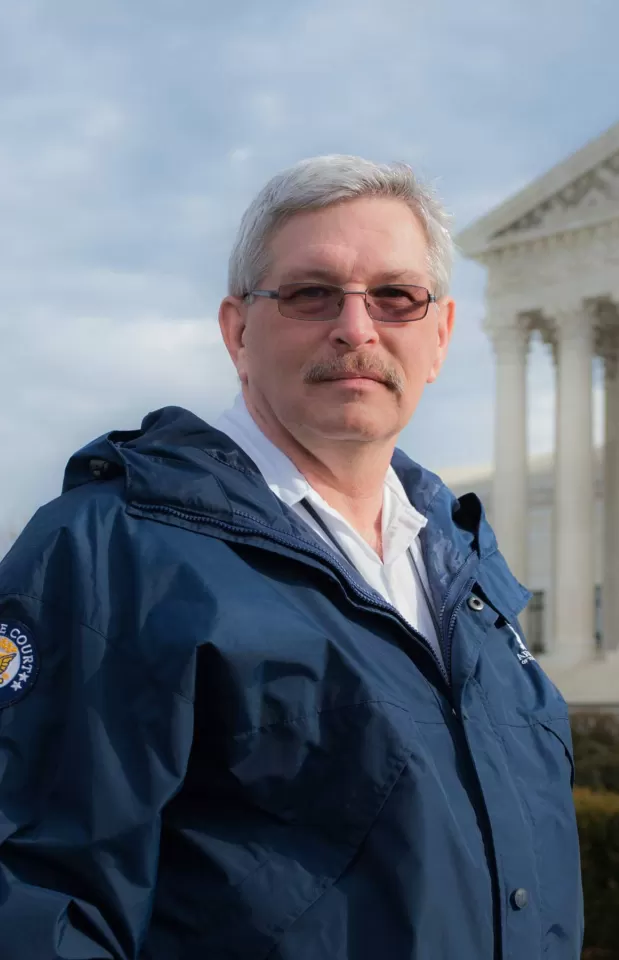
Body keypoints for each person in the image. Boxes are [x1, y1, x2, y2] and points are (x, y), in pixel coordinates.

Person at [0, 155, 584, 959]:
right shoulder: (108, 558)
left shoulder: (464, 574)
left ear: (440, 335)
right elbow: (36, 907)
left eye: (396, 296)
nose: (356, 327)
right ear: (239, 331)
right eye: (311, 294)